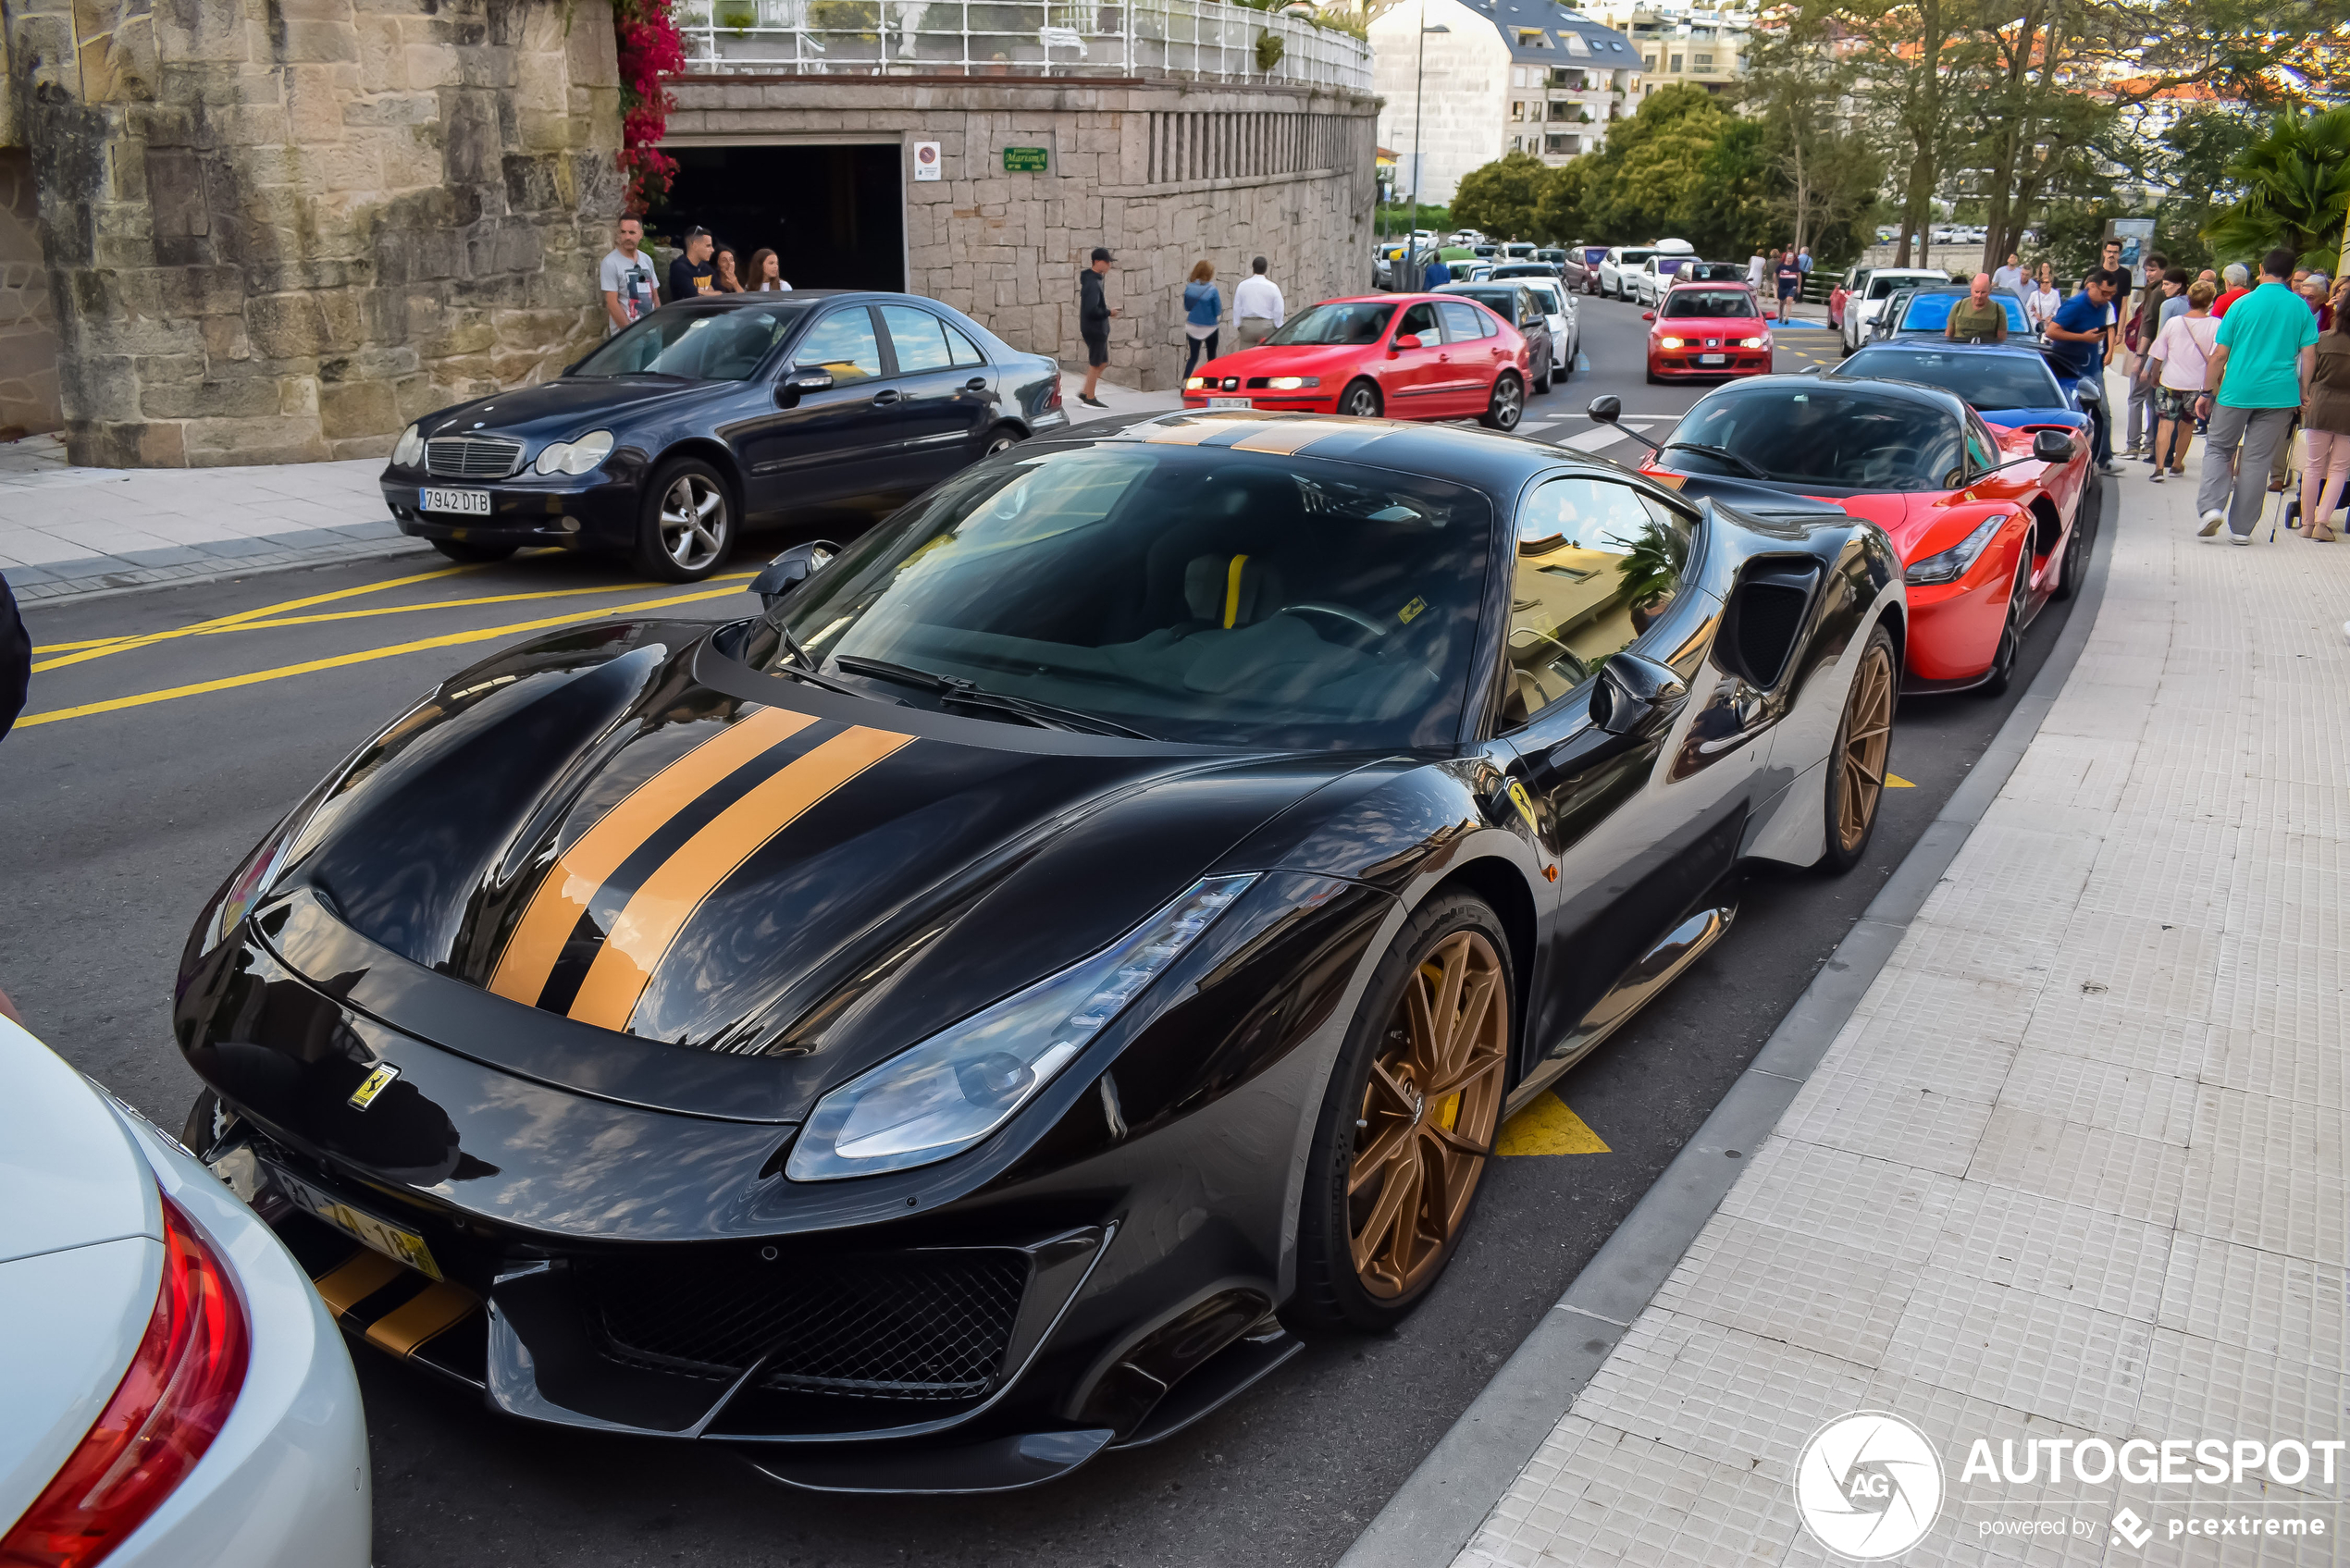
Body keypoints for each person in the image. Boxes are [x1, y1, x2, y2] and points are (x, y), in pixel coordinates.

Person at [2195, 248, 2319, 542]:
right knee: (2257, 459)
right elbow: (2310, 354)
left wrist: (2206, 391)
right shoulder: (2299, 307)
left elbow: (2218, 355)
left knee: (2219, 449)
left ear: (2261, 269)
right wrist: (2304, 392)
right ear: (2290, 276)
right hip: (2280, 394)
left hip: (2237, 390)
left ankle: (2211, 508)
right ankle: (2242, 529)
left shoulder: (2241, 304)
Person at [2046, 270, 2122, 473]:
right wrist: (2083, 338)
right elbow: (2052, 331)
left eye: (2112, 294)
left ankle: (2106, 457)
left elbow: (2110, 327)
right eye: (2105, 292)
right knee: (2072, 411)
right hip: (2069, 365)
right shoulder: (2076, 305)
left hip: (2092, 365)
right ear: (2092, 286)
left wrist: (2107, 348)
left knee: (2103, 411)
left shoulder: (2105, 306)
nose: (2108, 297)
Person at [2294, 276, 2350, 539]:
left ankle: (2306, 523)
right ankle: (2323, 522)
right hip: (2348, 410)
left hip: (2320, 402)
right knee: (2339, 468)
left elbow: (2308, 371)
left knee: (2312, 466)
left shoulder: (2322, 338)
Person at [2146, 278, 2218, 483]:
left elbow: (2159, 354)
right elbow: (2216, 357)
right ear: (2210, 301)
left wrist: (2155, 376)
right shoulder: (2216, 325)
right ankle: (2177, 465)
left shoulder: (2174, 322)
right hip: (2198, 385)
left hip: (2170, 381)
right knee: (2187, 425)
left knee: (2165, 425)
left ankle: (2159, 468)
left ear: (2189, 300)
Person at [2125, 268, 2183, 456]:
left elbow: (2160, 338)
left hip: (2163, 364)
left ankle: (2146, 450)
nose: (2163, 288)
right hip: (2185, 367)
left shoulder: (2167, 304)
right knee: (2180, 415)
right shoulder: (2191, 306)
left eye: (2167, 284)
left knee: (2148, 402)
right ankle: (2172, 458)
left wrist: (2146, 365)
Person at [599, 216, 661, 336]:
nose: (627, 237)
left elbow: (655, 295)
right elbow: (612, 303)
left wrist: (658, 324)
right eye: (623, 232)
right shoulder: (610, 262)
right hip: (627, 335)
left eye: (632, 232)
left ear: (641, 234)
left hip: (651, 331)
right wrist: (630, 333)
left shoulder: (646, 260)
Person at [1077, 246, 1117, 407]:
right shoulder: (1092, 283)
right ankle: (1090, 398)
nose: (1109, 265)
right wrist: (1109, 312)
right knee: (1096, 363)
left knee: (1102, 362)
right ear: (1098, 262)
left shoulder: (1094, 280)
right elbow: (1091, 310)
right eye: (1107, 262)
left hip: (1096, 328)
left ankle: (1085, 391)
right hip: (1095, 329)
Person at [1182, 259, 1223, 379]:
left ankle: (1185, 383)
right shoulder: (1212, 290)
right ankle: (1212, 382)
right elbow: (1218, 310)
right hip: (1210, 327)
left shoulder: (1189, 288)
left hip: (1192, 326)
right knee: (1211, 357)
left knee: (1193, 357)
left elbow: (1187, 307)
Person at [1232, 255, 1285, 348]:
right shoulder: (1273, 287)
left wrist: (1238, 324)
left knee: (1246, 356)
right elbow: (1279, 308)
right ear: (1266, 269)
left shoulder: (1242, 285)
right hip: (1266, 326)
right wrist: (1278, 324)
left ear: (1253, 268)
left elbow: (1237, 306)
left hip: (1247, 325)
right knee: (1266, 356)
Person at [1947, 272, 2008, 342]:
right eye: (1976, 292)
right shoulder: (1958, 307)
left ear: (1989, 291)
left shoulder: (1998, 310)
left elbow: (2002, 340)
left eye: (1983, 292)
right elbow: (1949, 334)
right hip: (1961, 349)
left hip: (1986, 350)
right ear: (1971, 289)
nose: (1979, 296)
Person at [667, 227, 716, 301]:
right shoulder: (679, 267)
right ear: (695, 245)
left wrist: (701, 291)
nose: (712, 250)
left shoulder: (706, 268)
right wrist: (711, 292)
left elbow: (722, 293)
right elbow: (694, 297)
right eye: (708, 246)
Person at [2024, 262, 2061, 332]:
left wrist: (2051, 317)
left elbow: (2058, 308)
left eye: (2047, 282)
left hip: (2049, 321)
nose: (2045, 284)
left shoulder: (2055, 294)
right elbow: (2028, 307)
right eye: (2043, 282)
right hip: (2037, 321)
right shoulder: (2034, 294)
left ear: (2050, 283)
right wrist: (2035, 314)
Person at [1774, 250, 1802, 322]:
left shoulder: (1795, 267)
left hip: (1792, 286)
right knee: (1782, 302)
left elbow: (1799, 275)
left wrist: (1799, 286)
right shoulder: (1781, 265)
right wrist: (1777, 284)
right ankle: (1780, 316)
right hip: (1782, 286)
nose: (1789, 258)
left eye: (1791, 257)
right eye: (1788, 256)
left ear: (1793, 258)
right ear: (1785, 257)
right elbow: (1775, 274)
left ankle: (1787, 318)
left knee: (1789, 301)